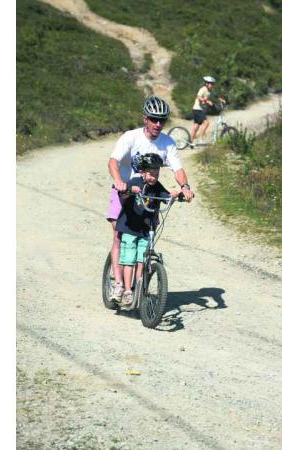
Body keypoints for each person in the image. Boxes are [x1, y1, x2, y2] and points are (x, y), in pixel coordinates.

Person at [107, 96, 194, 303]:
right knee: (119, 236)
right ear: (145, 118)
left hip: (147, 196)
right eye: (154, 119)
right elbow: (113, 162)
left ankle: (138, 283)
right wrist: (119, 181)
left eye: (162, 120)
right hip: (125, 191)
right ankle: (119, 285)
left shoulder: (167, 143)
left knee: (146, 238)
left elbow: (178, 169)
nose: (158, 124)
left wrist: (185, 187)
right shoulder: (131, 137)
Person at [115, 154, 180, 309]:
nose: (154, 178)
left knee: (142, 259)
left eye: (157, 174)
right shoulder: (136, 182)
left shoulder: (157, 186)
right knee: (129, 258)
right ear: (142, 172)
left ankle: (139, 289)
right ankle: (128, 290)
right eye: (151, 174)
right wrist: (128, 189)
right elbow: (123, 192)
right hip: (130, 227)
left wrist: (176, 195)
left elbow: (165, 196)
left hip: (146, 229)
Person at [190, 76, 227, 145]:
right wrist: (206, 101)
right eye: (211, 84)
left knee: (196, 126)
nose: (212, 85)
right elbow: (198, 96)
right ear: (207, 84)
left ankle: (190, 142)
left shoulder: (210, 90)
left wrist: (221, 99)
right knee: (206, 123)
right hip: (198, 109)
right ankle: (200, 139)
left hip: (198, 109)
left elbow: (216, 95)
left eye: (213, 84)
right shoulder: (203, 89)